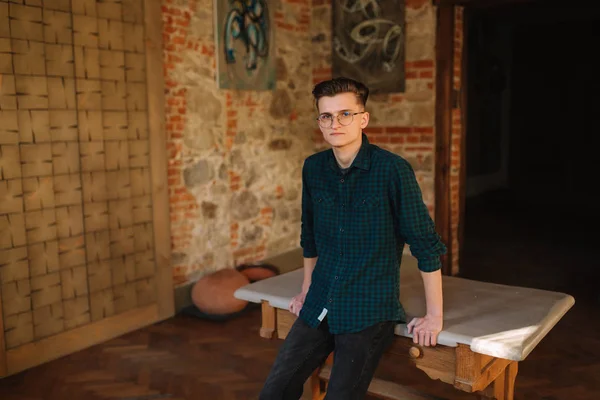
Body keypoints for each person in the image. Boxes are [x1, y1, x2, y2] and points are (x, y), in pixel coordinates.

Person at [259, 77, 447, 400]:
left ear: (364, 118)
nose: (335, 123)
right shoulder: (313, 168)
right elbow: (310, 236)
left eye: (345, 114)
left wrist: (435, 317)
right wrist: (306, 289)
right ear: (319, 121)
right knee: (274, 393)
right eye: (326, 116)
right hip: (320, 300)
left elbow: (425, 244)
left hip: (369, 309)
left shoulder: (392, 171)